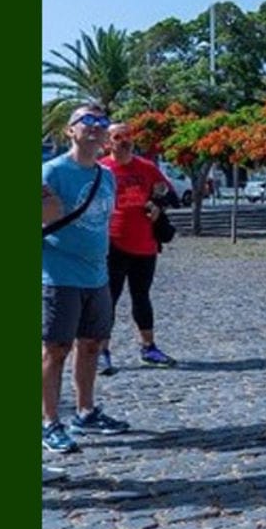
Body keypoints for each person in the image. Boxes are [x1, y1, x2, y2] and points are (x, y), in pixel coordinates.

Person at [42, 104, 129, 454]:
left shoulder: (105, 176)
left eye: (101, 122)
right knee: (56, 349)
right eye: (86, 122)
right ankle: (50, 422)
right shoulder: (51, 173)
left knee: (92, 344)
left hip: (97, 275)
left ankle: (86, 411)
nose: (95, 127)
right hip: (59, 275)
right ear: (70, 131)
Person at [97, 122, 177, 375]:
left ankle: (148, 347)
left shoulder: (146, 168)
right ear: (108, 142)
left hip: (145, 245)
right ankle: (102, 351)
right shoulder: (101, 169)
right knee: (108, 298)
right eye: (118, 136)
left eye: (129, 135)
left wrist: (157, 203)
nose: (125, 140)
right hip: (113, 243)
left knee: (141, 297)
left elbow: (170, 195)